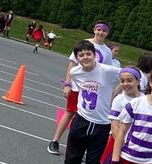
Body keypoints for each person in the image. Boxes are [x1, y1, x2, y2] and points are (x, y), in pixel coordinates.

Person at [44, 41, 123, 164]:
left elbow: (131, 75)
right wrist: (66, 84)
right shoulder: (76, 72)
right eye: (81, 55)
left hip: (101, 124)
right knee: (71, 160)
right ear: (77, 58)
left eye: (88, 53)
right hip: (81, 120)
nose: (85, 57)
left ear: (95, 55)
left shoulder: (107, 70)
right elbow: (71, 82)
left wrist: (118, 93)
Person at [47, 22, 115, 156]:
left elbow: (106, 71)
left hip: (92, 89)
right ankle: (55, 141)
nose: (100, 33)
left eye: (104, 31)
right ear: (94, 30)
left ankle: (75, 147)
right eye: (98, 29)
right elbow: (72, 65)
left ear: (107, 33)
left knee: (84, 118)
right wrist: (67, 84)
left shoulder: (107, 51)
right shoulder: (84, 44)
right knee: (69, 113)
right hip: (77, 86)